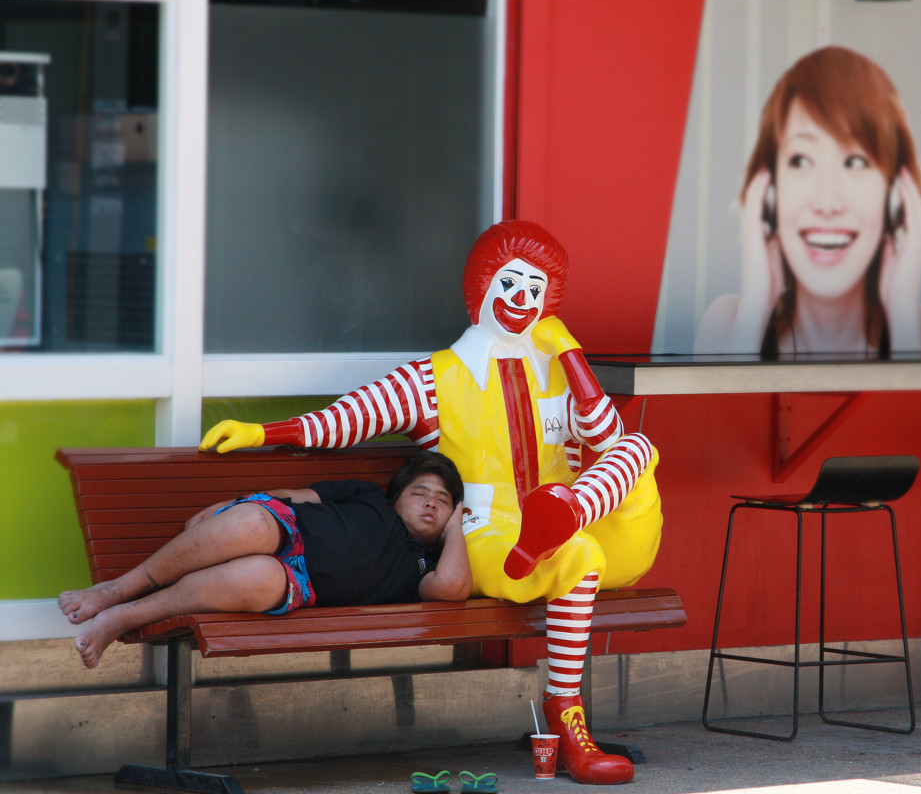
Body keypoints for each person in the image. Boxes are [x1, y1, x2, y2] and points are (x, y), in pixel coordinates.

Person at [199, 220, 662, 786]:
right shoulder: (433, 379)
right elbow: (348, 418)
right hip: (492, 536)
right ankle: (569, 723)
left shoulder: (556, 372)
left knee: (635, 445)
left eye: (537, 291)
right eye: (512, 283)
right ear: (482, 286)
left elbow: (606, 440)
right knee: (581, 556)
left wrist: (568, 350)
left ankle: (569, 509)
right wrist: (265, 432)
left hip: (582, 524)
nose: (523, 301)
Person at [58, 450, 470, 669]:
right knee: (254, 522)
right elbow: (298, 496)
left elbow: (453, 589)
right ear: (396, 495)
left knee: (259, 580)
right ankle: (115, 590)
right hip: (288, 526)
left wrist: (457, 531)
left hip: (299, 584)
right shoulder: (368, 496)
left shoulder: (423, 567)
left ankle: (123, 616)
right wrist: (233, 505)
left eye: (442, 501)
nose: (430, 504)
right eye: (420, 493)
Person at [694, 45, 921, 357]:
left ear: (895, 197)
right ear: (769, 194)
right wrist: (754, 313)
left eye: (855, 162)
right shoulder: (728, 323)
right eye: (801, 161)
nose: (827, 202)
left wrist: (903, 330)